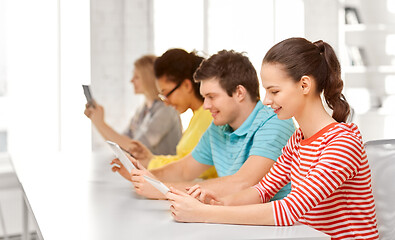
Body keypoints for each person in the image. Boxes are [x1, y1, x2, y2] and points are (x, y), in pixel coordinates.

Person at [166, 38, 379, 240]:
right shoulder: (297, 140)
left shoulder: (343, 143)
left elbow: (289, 210)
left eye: (274, 91)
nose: (267, 100)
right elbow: (262, 190)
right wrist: (220, 203)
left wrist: (204, 213)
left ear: (304, 85)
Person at [112, 50, 295, 200]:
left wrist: (163, 190)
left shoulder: (275, 121)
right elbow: (184, 169)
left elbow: (242, 183)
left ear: (239, 92)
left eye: (211, 97)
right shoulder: (219, 128)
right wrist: (141, 175)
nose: (205, 105)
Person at [124, 49, 217, 179]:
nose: (166, 102)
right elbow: (183, 161)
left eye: (167, 94)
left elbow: (192, 169)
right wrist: (150, 159)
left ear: (186, 85)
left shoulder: (210, 117)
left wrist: (151, 164)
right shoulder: (197, 116)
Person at [84, 55, 182, 155]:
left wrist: (101, 123)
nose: (131, 80)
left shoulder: (166, 110)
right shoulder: (142, 109)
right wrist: (96, 120)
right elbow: (121, 144)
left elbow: (136, 148)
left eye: (137, 77)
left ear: (149, 79)